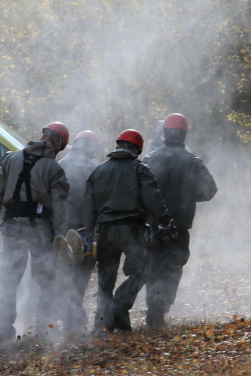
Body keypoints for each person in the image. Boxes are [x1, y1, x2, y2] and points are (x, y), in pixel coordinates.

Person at [82, 129, 173, 334]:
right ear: (137, 149)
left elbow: (88, 206)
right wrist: (165, 218)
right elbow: (152, 198)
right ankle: (119, 306)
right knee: (141, 272)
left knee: (106, 279)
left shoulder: (99, 171)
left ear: (117, 145)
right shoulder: (140, 168)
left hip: (105, 231)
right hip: (132, 229)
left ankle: (102, 326)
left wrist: (90, 234)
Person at [0, 122, 70, 342]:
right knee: (47, 280)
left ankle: (3, 331)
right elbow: (59, 207)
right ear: (58, 143)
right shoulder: (54, 168)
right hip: (39, 230)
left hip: (11, 226)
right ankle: (45, 329)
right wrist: (60, 238)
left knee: (8, 280)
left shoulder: (10, 159)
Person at [142, 113, 217, 328]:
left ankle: (153, 310)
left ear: (164, 133)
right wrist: (189, 197)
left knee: (153, 265)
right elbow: (210, 190)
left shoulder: (149, 159)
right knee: (173, 265)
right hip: (179, 226)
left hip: (152, 225)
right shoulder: (193, 161)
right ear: (184, 135)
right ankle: (161, 300)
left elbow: (139, 190)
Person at [55, 130, 99, 334]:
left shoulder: (60, 164)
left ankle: (70, 319)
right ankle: (74, 322)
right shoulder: (94, 168)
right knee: (81, 276)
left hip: (61, 228)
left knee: (64, 275)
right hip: (84, 228)